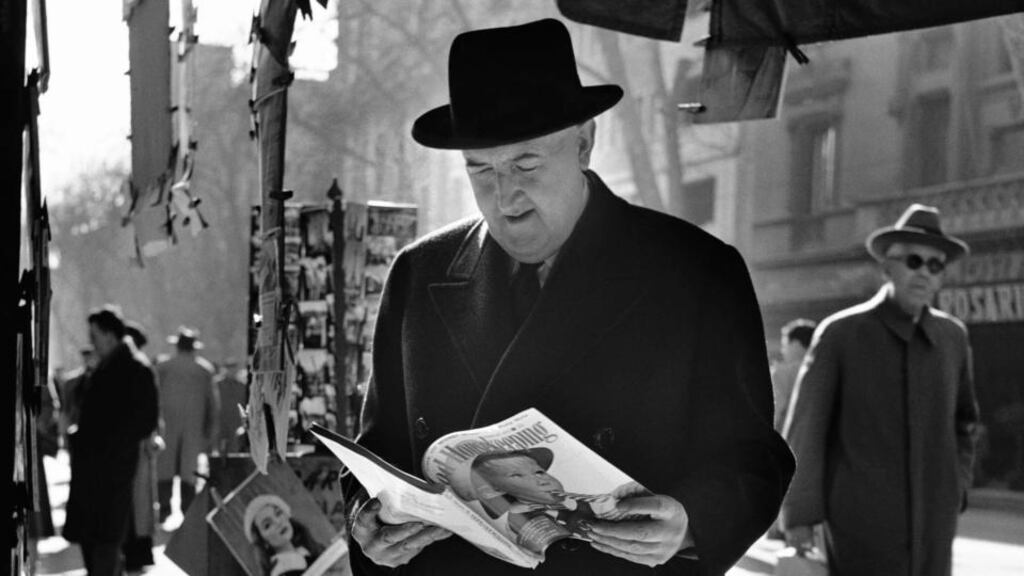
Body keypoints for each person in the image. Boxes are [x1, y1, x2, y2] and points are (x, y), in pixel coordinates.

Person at [346, 18, 794, 576]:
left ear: (583, 143)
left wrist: (691, 522)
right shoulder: (419, 273)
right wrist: (369, 520)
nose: (505, 198)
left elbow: (753, 456)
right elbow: (377, 452)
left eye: (526, 164)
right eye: (481, 170)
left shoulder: (696, 270)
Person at [781, 203, 980, 576]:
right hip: (858, 524)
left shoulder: (952, 337)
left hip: (933, 522)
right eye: (913, 261)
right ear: (887, 267)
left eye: (935, 265)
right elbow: (807, 429)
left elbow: (965, 422)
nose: (924, 273)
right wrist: (799, 514)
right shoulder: (841, 334)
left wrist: (957, 486)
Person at [63, 306, 159, 576]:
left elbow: (145, 420)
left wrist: (110, 443)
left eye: (94, 336)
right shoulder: (107, 368)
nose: (91, 342)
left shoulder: (135, 369)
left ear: (109, 335)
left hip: (111, 473)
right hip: (96, 473)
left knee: (105, 545)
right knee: (96, 545)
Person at [156, 326, 218, 523]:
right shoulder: (204, 370)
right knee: (188, 471)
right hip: (193, 428)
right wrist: (210, 432)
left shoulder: (163, 367)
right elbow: (212, 405)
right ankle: (188, 511)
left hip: (166, 427)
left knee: (164, 468)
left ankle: (164, 509)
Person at [121, 321, 162, 572]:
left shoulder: (137, 368)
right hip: (140, 444)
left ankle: (137, 552)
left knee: (138, 503)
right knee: (140, 503)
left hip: (138, 445)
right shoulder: (140, 367)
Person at [244, 494, 325, 576]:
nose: (278, 522)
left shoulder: (307, 550)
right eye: (267, 525)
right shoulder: (280, 572)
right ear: (263, 541)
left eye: (278, 513)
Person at [771, 319, 816, 433]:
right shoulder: (823, 371)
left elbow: (773, 414)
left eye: (785, 346)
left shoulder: (783, 373)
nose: (782, 351)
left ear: (795, 344)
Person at [214, 357, 248, 454]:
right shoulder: (217, 384)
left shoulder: (241, 386)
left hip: (236, 421)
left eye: (233, 368)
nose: (231, 371)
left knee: (234, 448)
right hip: (221, 420)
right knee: (219, 447)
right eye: (229, 368)